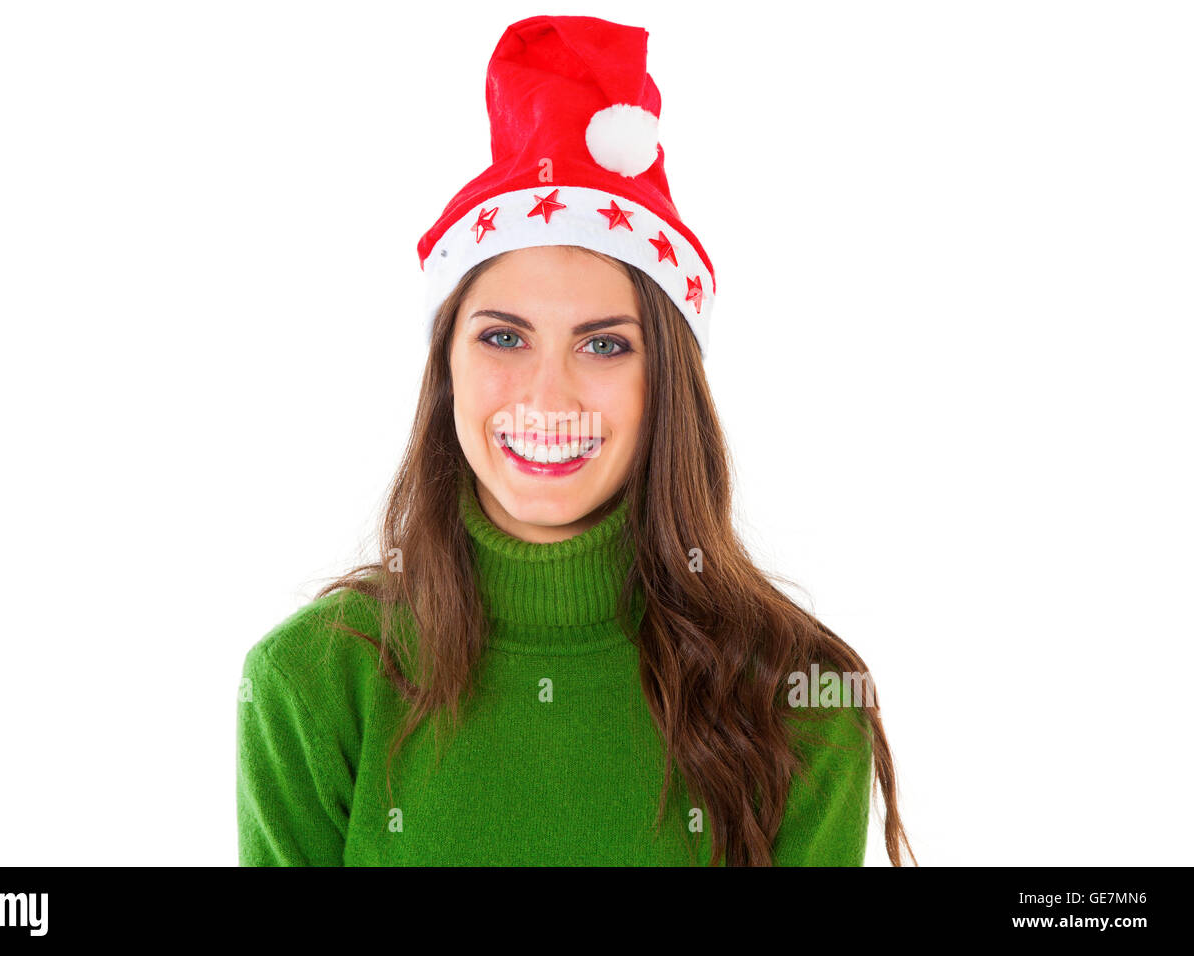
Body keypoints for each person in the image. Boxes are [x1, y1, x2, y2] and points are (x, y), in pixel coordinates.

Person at [236, 13, 916, 867]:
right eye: (503, 337)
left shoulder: (799, 698)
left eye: (604, 344)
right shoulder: (309, 684)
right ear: (446, 369)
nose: (547, 395)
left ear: (666, 380)